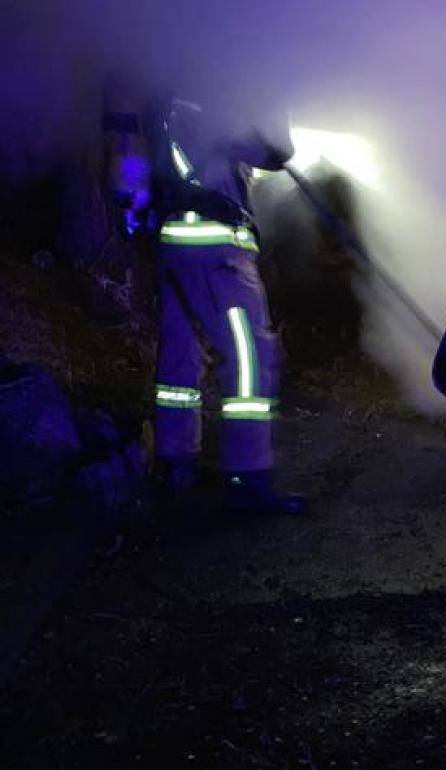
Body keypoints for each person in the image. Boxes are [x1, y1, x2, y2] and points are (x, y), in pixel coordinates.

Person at [107, 89, 306, 515]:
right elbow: (275, 153)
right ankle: (250, 475)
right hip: (217, 254)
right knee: (250, 360)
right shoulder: (210, 98)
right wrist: (273, 91)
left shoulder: (167, 96)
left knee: (180, 360)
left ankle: (177, 462)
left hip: (175, 247)